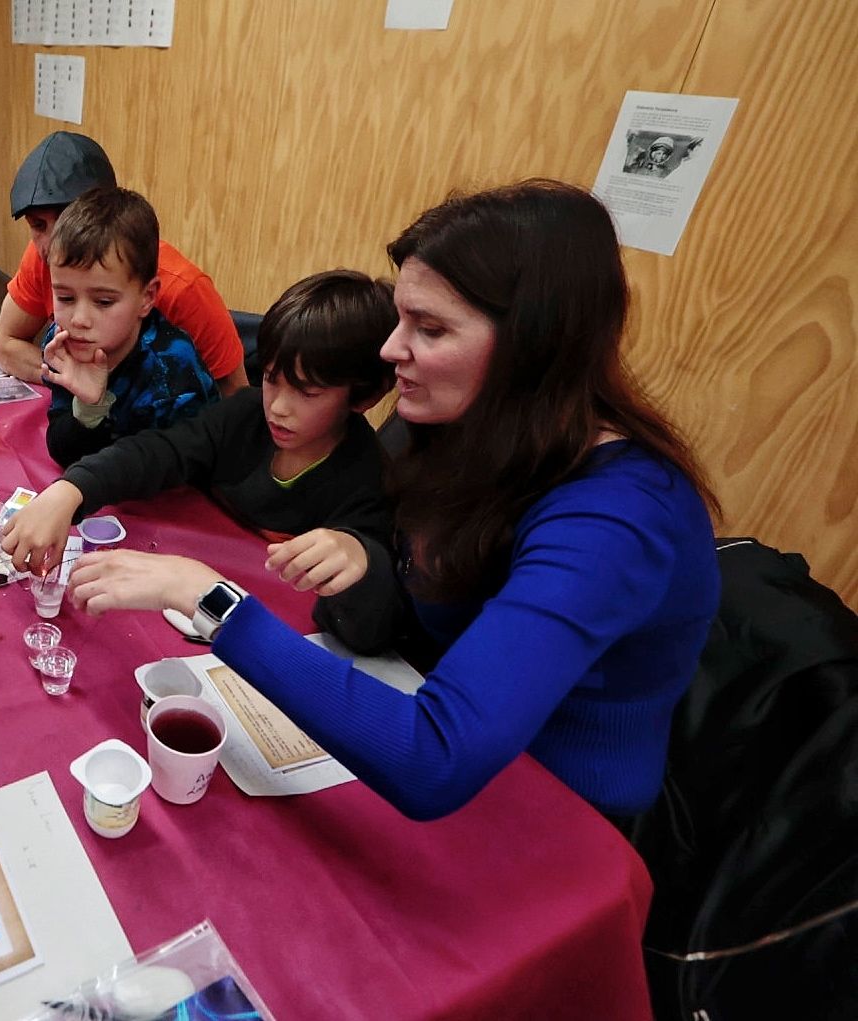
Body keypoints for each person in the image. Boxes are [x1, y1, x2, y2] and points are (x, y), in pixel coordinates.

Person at [68, 180, 722, 823]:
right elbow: (408, 589)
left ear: (534, 348)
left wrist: (210, 598)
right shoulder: (455, 429)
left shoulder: (618, 516)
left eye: (429, 328)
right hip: (424, 717)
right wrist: (366, 557)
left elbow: (433, 756)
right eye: (402, 318)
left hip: (552, 812)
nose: (390, 349)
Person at [4, 271, 396, 646]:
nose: (277, 407)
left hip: (262, 633)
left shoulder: (366, 479)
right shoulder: (244, 416)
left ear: (364, 397)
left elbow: (370, 628)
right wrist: (70, 490)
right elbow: (158, 452)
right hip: (184, 595)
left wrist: (361, 563)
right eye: (273, 379)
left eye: (306, 393)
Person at [0, 131, 248, 395]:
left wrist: (108, 397)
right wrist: (77, 384)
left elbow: (237, 402)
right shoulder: (42, 257)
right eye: (38, 225)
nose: (54, 242)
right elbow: (4, 345)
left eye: (104, 301)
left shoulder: (185, 290)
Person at [39, 186, 219, 468]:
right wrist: (88, 409)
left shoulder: (173, 372)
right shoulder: (62, 344)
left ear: (147, 298)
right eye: (65, 297)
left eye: (103, 301)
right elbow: (62, 451)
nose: (78, 319)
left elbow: (183, 475)